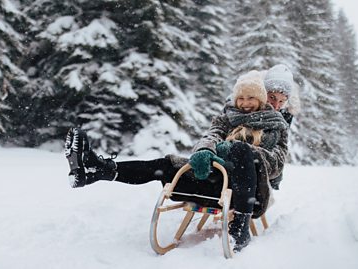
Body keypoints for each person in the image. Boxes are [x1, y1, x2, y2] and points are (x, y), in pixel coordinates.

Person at [65, 70, 289, 252]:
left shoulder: (277, 126)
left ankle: (239, 226)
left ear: (260, 100)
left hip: (250, 193)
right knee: (166, 165)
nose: (245, 103)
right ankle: (98, 170)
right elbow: (211, 135)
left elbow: (277, 163)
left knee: (241, 151)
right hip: (215, 183)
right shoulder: (226, 118)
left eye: (251, 98)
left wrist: (240, 151)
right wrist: (205, 150)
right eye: (241, 97)